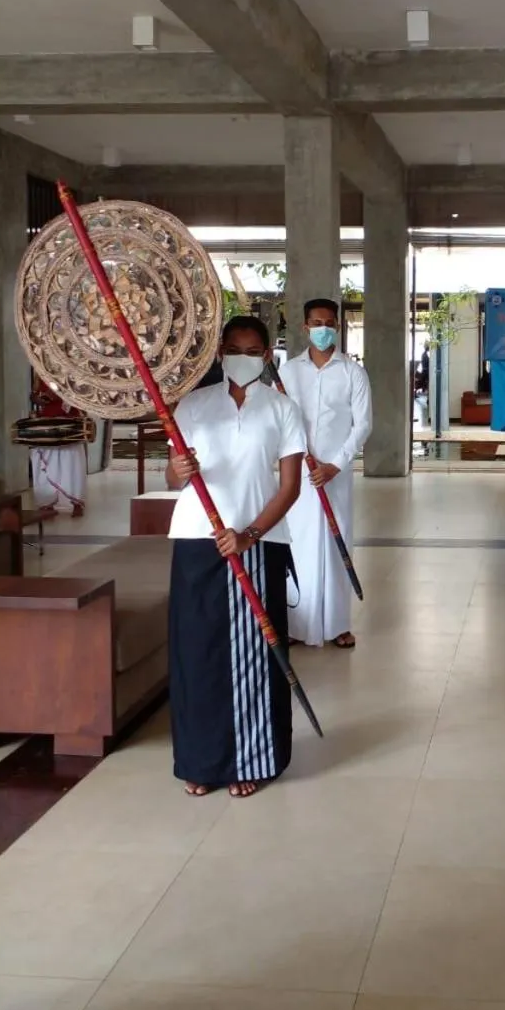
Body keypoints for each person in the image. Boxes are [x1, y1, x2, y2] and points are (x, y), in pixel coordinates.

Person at [166, 316, 306, 799]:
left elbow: (289, 487)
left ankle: (252, 758)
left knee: (253, 657)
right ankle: (202, 761)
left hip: (257, 542)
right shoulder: (192, 406)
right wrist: (177, 468)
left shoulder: (283, 409)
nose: (241, 357)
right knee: (198, 654)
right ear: (220, 352)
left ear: (267, 356)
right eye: (232, 348)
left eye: (252, 350)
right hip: (196, 540)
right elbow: (173, 478)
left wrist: (249, 534)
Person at [281, 298, 372, 649]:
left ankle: (337, 625)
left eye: (329, 322)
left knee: (337, 544)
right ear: (306, 326)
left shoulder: (353, 373)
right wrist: (301, 457)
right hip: (298, 472)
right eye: (316, 322)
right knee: (299, 543)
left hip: (336, 473)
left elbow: (362, 425)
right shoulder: (288, 373)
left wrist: (335, 464)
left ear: (338, 326)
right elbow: (282, 420)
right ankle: (295, 624)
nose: (323, 329)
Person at [29, 378, 88, 517]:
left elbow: (84, 394)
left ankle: (76, 503)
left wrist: (62, 393)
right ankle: (47, 504)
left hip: (70, 424)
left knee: (72, 465)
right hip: (47, 424)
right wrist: (38, 399)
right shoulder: (41, 372)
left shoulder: (72, 372)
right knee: (43, 465)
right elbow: (33, 395)